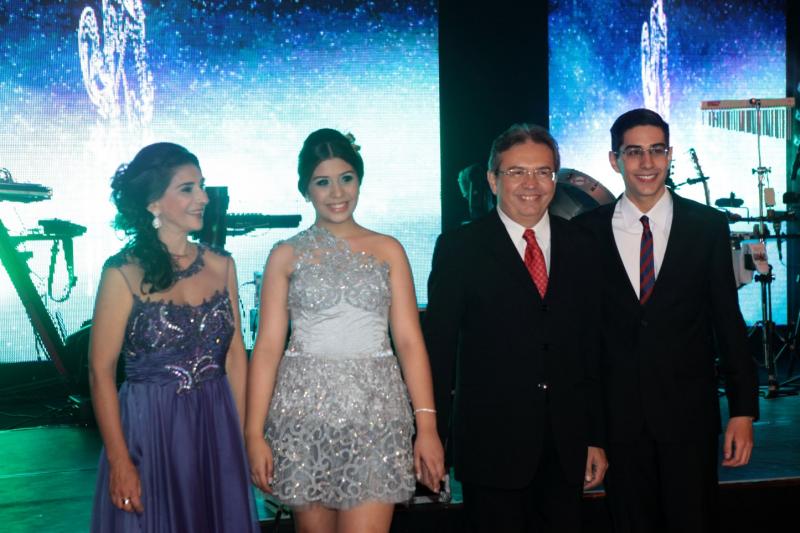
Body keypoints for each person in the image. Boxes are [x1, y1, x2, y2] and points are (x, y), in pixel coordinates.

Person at [245, 128, 445, 533]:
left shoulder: (389, 249)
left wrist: (427, 427)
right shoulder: (285, 254)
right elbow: (266, 349)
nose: (337, 192)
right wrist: (253, 432)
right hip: (303, 416)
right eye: (322, 182)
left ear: (359, 180)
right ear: (305, 190)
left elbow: (409, 342)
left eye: (346, 178)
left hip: (376, 413)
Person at [572, 108, 759, 532]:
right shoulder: (584, 232)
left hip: (689, 418)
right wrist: (590, 433)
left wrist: (743, 411)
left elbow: (727, 321)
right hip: (618, 424)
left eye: (657, 150)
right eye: (634, 151)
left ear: (670, 155)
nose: (647, 162)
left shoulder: (706, 226)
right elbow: (582, 341)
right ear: (614, 159)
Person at [423, 123, 608, 533]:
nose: (531, 184)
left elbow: (591, 348)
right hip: (490, 448)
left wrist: (595, 436)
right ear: (493, 180)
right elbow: (438, 350)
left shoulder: (583, 245)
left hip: (567, 446)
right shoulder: (459, 249)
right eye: (516, 172)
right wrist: (430, 434)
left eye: (543, 172)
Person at [89, 142, 258, 532]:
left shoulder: (222, 265)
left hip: (215, 425)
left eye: (202, 186)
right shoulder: (121, 273)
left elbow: (235, 355)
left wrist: (240, 437)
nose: (203, 198)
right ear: (154, 204)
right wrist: (119, 460)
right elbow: (100, 372)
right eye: (187, 189)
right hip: (150, 433)